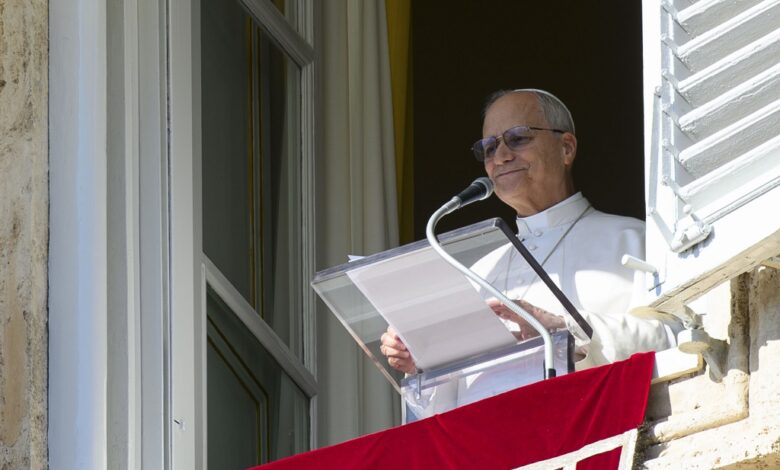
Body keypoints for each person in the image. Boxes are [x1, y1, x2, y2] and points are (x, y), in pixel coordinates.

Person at [380, 88, 681, 377]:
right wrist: (422, 359)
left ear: (566, 148)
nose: (500, 156)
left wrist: (565, 331)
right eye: (489, 148)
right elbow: (457, 387)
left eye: (518, 138)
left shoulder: (636, 239)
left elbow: (675, 337)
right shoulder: (479, 274)